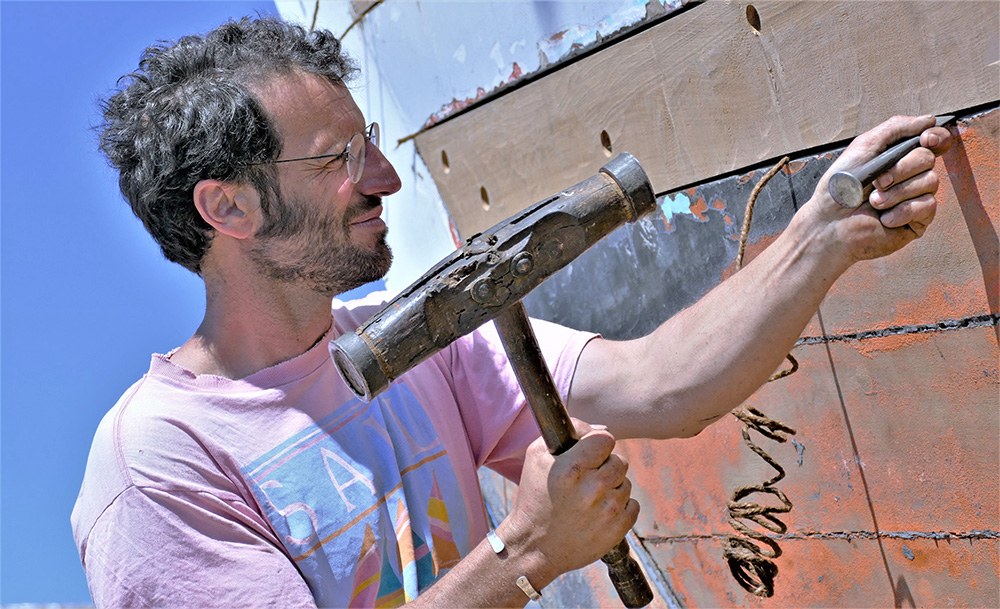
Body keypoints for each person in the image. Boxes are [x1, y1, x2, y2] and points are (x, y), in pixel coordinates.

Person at [71, 16, 952, 609]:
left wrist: (823, 233)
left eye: (373, 141)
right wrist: (526, 553)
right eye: (341, 157)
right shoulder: (159, 460)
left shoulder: (420, 336)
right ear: (229, 210)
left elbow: (661, 387)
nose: (383, 178)